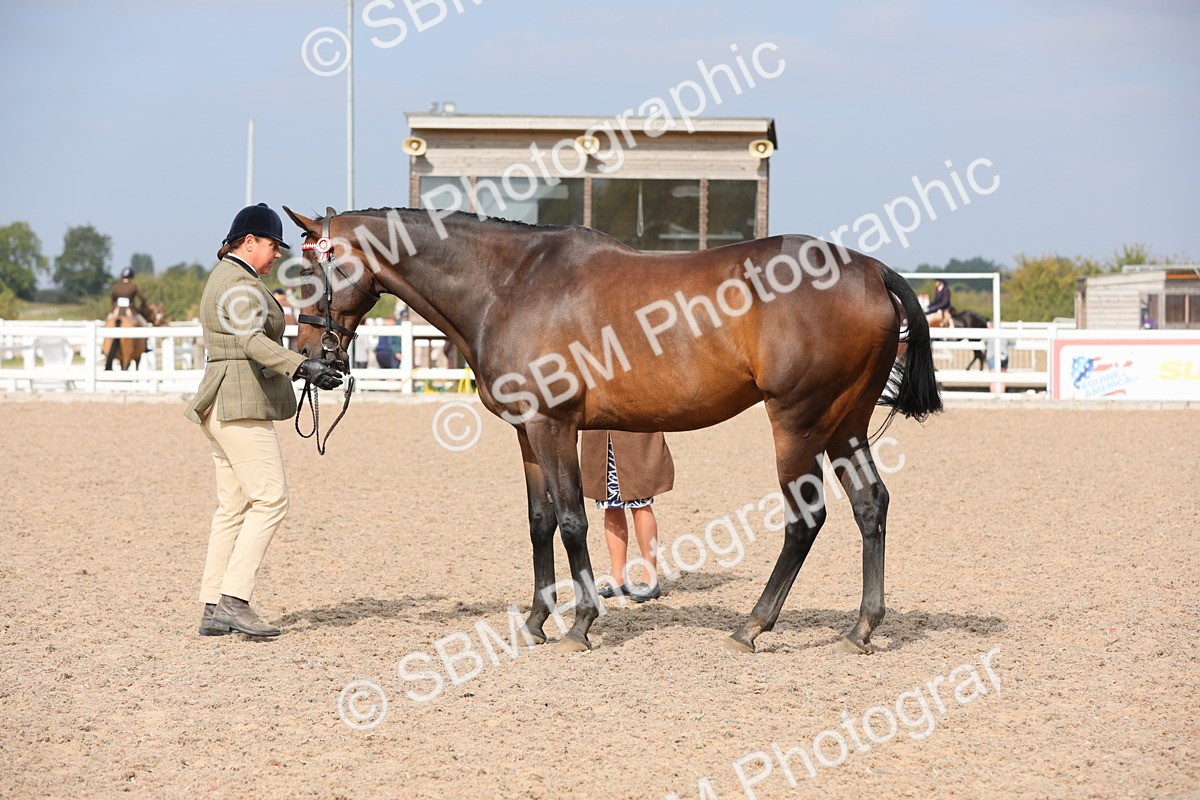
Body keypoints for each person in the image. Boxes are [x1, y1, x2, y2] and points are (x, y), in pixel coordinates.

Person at [184, 203, 344, 638]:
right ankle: (235, 600)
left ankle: (213, 606)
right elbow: (251, 340)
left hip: (222, 401)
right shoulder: (238, 283)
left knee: (233, 507)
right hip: (241, 403)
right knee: (272, 499)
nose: (278, 255)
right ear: (249, 241)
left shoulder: (227, 278)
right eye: (274, 246)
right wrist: (303, 367)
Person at [581, 430, 674, 602]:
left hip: (632, 427)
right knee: (610, 505)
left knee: (640, 503)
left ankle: (650, 579)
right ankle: (618, 579)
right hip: (600, 431)